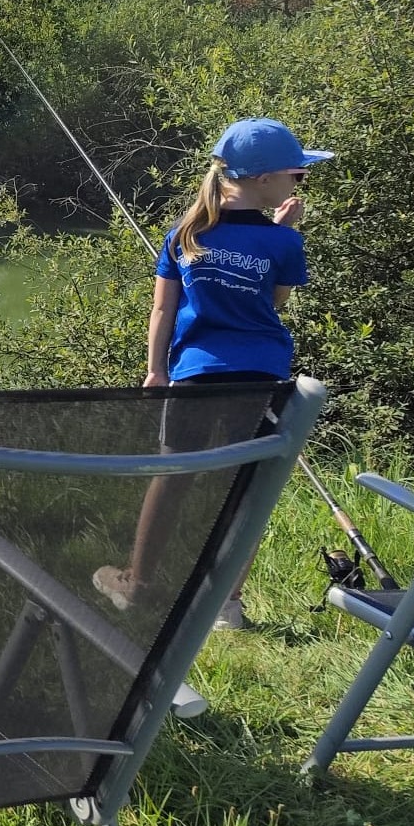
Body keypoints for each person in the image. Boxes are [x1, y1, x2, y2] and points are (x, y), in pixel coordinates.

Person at [93, 117, 326, 631]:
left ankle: (137, 585)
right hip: (261, 377)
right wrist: (283, 232)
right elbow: (274, 302)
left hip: (193, 376)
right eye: (297, 174)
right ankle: (226, 606)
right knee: (243, 488)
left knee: (172, 478)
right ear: (264, 180)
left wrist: (156, 370)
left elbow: (162, 310)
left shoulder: (185, 234)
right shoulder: (284, 243)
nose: (300, 182)